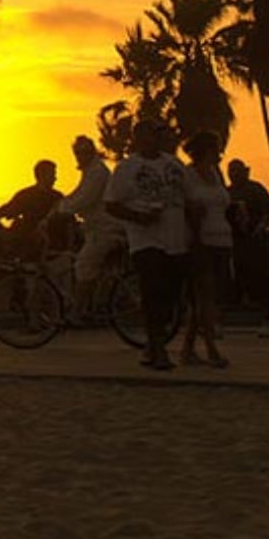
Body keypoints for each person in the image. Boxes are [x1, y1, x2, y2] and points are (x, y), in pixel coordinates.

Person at [104, 116, 190, 371]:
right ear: (138, 139)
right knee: (153, 292)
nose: (155, 139)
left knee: (172, 296)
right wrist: (138, 217)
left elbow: (188, 194)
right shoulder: (127, 168)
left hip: (176, 239)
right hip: (146, 241)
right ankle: (159, 347)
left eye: (157, 134)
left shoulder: (174, 164)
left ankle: (152, 346)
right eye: (150, 134)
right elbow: (111, 204)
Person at [179, 130, 234, 368]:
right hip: (200, 241)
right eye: (215, 149)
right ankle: (211, 348)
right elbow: (184, 204)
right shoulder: (188, 175)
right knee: (204, 296)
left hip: (222, 239)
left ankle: (188, 348)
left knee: (208, 298)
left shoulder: (216, 174)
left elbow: (221, 201)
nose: (219, 153)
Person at [53, 135, 121, 316]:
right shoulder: (90, 172)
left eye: (83, 152)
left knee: (84, 265)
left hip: (104, 228)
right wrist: (62, 203)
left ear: (91, 152)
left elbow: (85, 199)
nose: (79, 156)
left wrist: (62, 209)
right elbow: (77, 193)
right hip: (94, 228)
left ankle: (78, 311)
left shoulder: (98, 173)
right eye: (77, 152)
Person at [226, 157, 269, 323]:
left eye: (237, 171)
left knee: (261, 278)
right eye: (231, 171)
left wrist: (261, 227)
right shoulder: (227, 193)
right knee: (236, 276)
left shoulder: (256, 189)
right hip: (235, 243)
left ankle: (266, 315)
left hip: (255, 242)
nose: (234, 174)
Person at [0, 161, 64, 254]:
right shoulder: (26, 195)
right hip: (29, 242)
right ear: (41, 175)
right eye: (52, 174)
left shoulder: (58, 197)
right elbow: (7, 211)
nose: (55, 178)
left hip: (56, 243)